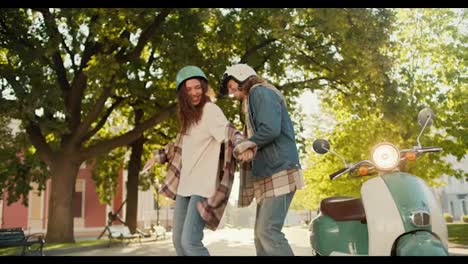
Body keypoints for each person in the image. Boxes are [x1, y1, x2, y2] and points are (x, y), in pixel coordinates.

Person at [141, 65, 252, 256]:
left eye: (197, 87)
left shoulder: (210, 110)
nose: (194, 93)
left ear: (204, 87)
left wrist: (244, 147)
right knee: (178, 241)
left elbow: (230, 131)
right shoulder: (189, 119)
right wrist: (156, 156)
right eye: (188, 89)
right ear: (182, 94)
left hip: (203, 186)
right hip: (186, 186)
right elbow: (177, 147)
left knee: (190, 242)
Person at [220, 63, 305, 256]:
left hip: (279, 169)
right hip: (269, 171)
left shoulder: (260, 92)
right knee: (260, 236)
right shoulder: (252, 98)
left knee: (268, 232)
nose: (231, 92)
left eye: (231, 86)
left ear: (241, 76)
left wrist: (247, 144)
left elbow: (270, 129)